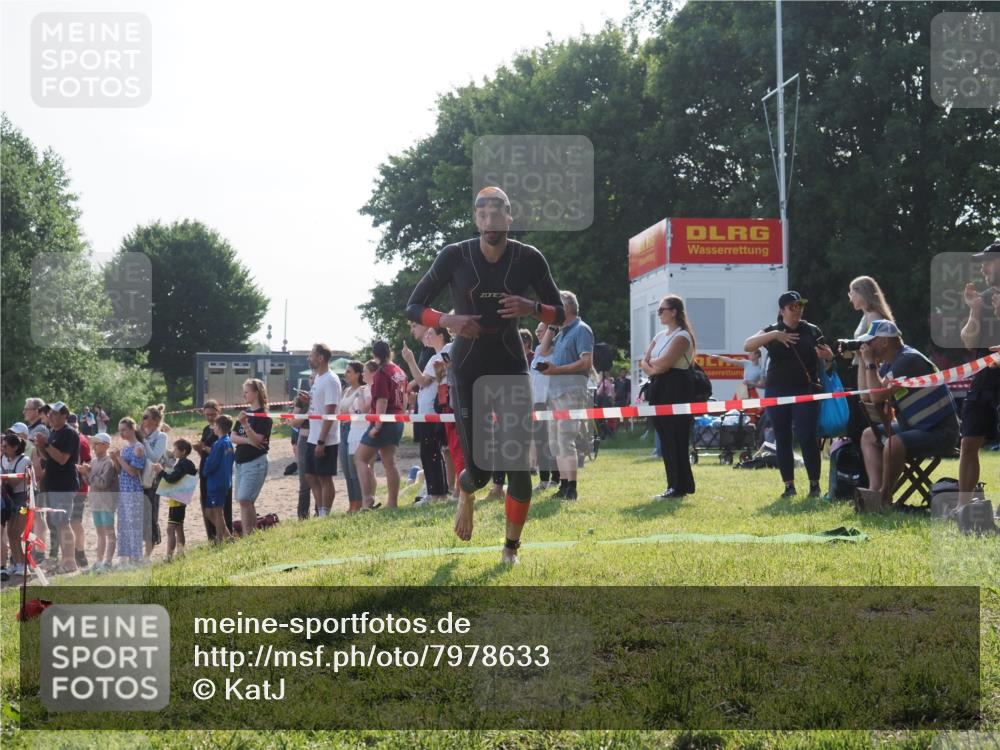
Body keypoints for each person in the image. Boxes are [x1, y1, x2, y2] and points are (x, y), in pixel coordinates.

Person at [405, 186, 565, 562]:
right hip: (468, 368)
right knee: (478, 474)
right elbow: (414, 306)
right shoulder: (455, 256)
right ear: (476, 219)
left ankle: (511, 548)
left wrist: (531, 306)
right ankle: (466, 492)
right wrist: (448, 320)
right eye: (483, 213)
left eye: (498, 212)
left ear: (510, 217)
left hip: (510, 363)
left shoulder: (529, 258)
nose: (490, 219)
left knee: (517, 466)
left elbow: (559, 313)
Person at [855, 320, 959, 506]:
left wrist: (870, 362)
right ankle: (873, 493)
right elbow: (866, 397)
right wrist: (864, 363)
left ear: (884, 342)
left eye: (871, 342)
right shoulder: (890, 364)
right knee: (868, 436)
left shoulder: (908, 360)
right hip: (916, 426)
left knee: (893, 444)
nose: (868, 346)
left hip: (941, 431)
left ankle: (884, 497)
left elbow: (878, 397)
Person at [745, 291, 834, 498]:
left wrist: (829, 356)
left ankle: (814, 486)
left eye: (800, 305)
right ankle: (789, 487)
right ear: (782, 311)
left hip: (806, 391)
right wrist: (776, 335)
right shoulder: (772, 330)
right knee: (782, 438)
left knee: (807, 437)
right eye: (793, 306)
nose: (798, 310)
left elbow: (829, 358)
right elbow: (748, 345)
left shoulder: (812, 330)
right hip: (777, 391)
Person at [639, 295, 698, 500]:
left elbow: (663, 364)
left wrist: (654, 365)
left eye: (662, 310)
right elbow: (644, 363)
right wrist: (654, 366)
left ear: (674, 311)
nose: (659, 314)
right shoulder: (660, 336)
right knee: (665, 438)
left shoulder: (683, 336)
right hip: (659, 388)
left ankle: (679, 485)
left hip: (677, 388)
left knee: (676, 438)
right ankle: (673, 484)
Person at [955, 240, 1000, 509]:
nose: (983, 267)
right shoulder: (982, 298)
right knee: (969, 441)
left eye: (988, 261)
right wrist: (975, 310)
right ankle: (964, 506)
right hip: (984, 379)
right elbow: (969, 342)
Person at [539, 290, 593, 501]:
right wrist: (552, 327)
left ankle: (572, 487)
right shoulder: (561, 332)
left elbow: (586, 362)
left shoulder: (581, 330)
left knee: (565, 439)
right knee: (555, 442)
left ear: (567, 308)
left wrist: (557, 370)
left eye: (557, 307)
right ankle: (563, 485)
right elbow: (543, 351)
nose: (553, 310)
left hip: (571, 391)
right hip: (556, 393)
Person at [402, 327, 452, 505]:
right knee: (429, 452)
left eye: (431, 333)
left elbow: (423, 381)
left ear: (441, 336)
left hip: (433, 411)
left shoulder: (446, 351)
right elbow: (423, 381)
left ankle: (437, 493)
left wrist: (410, 360)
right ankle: (437, 491)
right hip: (427, 411)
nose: (427, 336)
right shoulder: (434, 356)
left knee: (431, 452)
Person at [844, 276, 896, 443]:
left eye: (851, 293)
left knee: (861, 421)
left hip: (867, 372)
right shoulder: (866, 315)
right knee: (859, 420)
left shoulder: (873, 316)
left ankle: (865, 464)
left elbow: (874, 347)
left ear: (861, 293)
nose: (850, 298)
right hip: (862, 369)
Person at [355, 341, 406, 509]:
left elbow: (382, 401)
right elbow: (405, 399)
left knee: (360, 458)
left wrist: (377, 426)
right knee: (389, 462)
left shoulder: (381, 373)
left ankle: (367, 502)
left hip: (384, 421)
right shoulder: (399, 371)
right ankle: (392, 503)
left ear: (374, 354)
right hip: (397, 419)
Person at [31, 401, 80, 574]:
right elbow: (48, 457)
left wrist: (45, 445)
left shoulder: (68, 433)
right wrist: (40, 445)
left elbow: (62, 459)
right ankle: (65, 561)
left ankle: (70, 562)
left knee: (63, 523)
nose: (50, 416)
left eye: (54, 413)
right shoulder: (53, 432)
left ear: (65, 416)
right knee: (58, 524)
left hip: (64, 485)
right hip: (54, 485)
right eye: (49, 413)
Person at [305, 343, 341, 517]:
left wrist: (321, 441)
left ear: (321, 358)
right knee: (311, 475)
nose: (308, 358)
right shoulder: (318, 377)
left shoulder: (331, 380)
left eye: (311, 355)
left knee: (324, 477)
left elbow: (330, 412)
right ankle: (320, 510)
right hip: (313, 435)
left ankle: (325, 512)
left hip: (326, 437)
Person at [232, 379, 272, 535]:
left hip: (255, 462)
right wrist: (247, 439)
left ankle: (249, 534)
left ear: (256, 393)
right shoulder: (245, 413)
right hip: (241, 462)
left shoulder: (264, 416)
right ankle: (249, 533)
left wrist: (246, 426)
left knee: (245, 499)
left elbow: (258, 442)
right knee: (243, 501)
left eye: (246, 391)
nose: (244, 395)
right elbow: (232, 437)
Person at [193, 400, 233, 538]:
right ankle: (218, 536)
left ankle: (225, 536)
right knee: (208, 508)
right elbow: (207, 454)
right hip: (209, 474)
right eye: (207, 415)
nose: (210, 417)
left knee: (219, 510)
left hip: (217, 475)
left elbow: (217, 455)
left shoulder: (223, 436)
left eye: (212, 414)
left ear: (218, 412)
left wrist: (204, 448)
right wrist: (200, 450)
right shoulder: (206, 430)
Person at [110, 417, 145, 567]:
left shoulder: (138, 447)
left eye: (124, 429)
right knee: (123, 524)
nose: (122, 433)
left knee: (133, 524)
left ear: (132, 429)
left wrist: (119, 458)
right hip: (124, 489)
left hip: (133, 489)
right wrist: (115, 460)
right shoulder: (125, 447)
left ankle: (136, 558)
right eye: (120, 430)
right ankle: (125, 558)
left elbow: (132, 471)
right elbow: (120, 471)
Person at [154, 438, 197, 558]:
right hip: (180, 500)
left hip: (177, 501)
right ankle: (180, 553)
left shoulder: (182, 463)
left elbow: (172, 478)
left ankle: (169, 555)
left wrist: (160, 472)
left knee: (170, 529)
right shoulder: (188, 463)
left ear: (183, 451)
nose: (174, 451)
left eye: (176, 449)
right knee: (178, 528)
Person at [530, 322, 560, 491]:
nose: (539, 334)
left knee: (553, 441)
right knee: (540, 441)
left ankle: (556, 478)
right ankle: (543, 480)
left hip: (551, 403)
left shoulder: (556, 355)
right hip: (536, 404)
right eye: (538, 331)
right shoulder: (536, 356)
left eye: (542, 331)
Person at [86, 432, 118, 573]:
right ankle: (99, 561)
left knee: (109, 532)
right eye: (93, 443)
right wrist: (84, 473)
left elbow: (103, 483)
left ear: (105, 446)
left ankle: (108, 562)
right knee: (100, 533)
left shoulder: (109, 463)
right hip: (95, 502)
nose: (93, 446)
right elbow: (91, 483)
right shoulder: (93, 461)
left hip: (106, 502)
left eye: (96, 443)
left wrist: (88, 473)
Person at [338, 362, 367, 512]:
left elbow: (360, 411)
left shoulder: (362, 390)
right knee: (346, 470)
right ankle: (352, 503)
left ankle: (360, 502)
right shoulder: (347, 390)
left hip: (354, 428)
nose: (346, 374)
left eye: (349, 371)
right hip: (342, 429)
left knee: (354, 468)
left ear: (358, 374)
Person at [202, 415, 236, 543]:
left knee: (217, 512)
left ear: (220, 427)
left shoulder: (219, 443)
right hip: (223, 481)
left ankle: (220, 539)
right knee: (209, 512)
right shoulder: (228, 443)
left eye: (215, 426)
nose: (213, 428)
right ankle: (227, 536)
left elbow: (212, 463)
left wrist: (205, 470)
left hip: (216, 482)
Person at [1, 433, 31, 577]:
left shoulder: (24, 460)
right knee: (10, 533)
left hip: (24, 500)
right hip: (12, 499)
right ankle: (17, 564)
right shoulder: (8, 461)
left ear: (15, 447)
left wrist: (4, 477)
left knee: (17, 533)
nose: (3, 449)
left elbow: (15, 482)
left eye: (6, 446)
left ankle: (24, 565)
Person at [66, 413, 91, 569]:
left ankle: (80, 552)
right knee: (71, 521)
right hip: (71, 486)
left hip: (79, 487)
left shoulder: (80, 440)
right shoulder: (75, 438)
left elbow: (87, 464)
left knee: (75, 521)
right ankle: (77, 552)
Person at [291, 377, 315, 519]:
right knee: (304, 481)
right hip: (304, 439)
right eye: (311, 377)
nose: (313, 380)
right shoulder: (302, 399)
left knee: (320, 479)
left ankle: (321, 512)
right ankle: (302, 516)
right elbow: (294, 422)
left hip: (320, 439)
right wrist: (307, 415)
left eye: (315, 377)